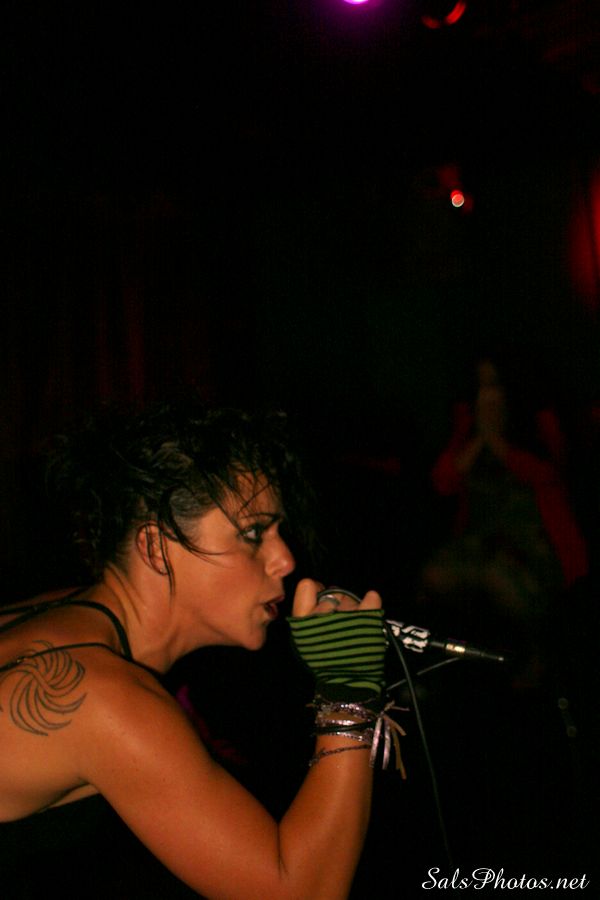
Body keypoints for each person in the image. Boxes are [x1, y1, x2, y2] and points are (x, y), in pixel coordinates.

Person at [0, 398, 389, 899]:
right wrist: (349, 691)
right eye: (253, 533)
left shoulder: (64, 620)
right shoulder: (104, 697)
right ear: (156, 548)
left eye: (277, 532)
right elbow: (302, 892)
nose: (285, 560)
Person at [420, 352, 588, 684]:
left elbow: (548, 475)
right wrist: (480, 435)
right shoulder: (466, 424)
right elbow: (443, 480)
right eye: (481, 386)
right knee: (436, 577)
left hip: (533, 543)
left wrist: (496, 439)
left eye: (494, 385)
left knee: (502, 580)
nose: (488, 395)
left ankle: (538, 665)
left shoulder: (538, 423)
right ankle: (445, 674)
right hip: (479, 542)